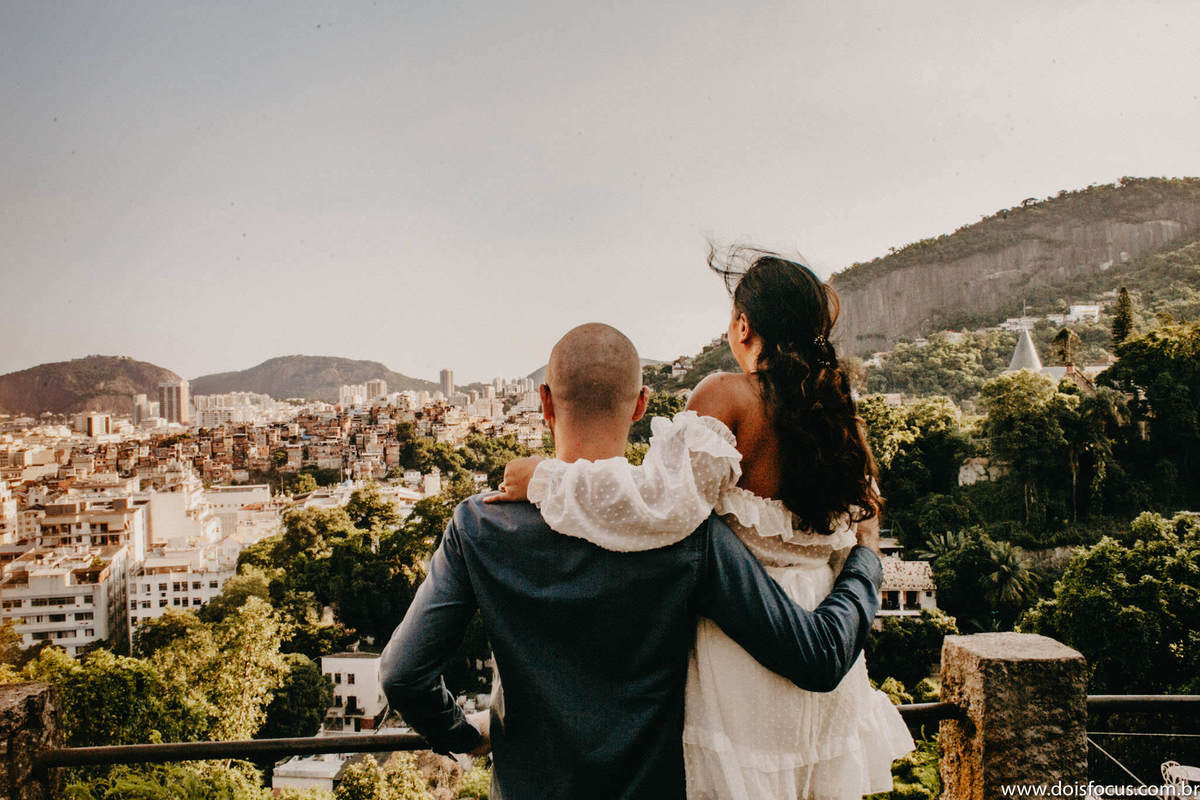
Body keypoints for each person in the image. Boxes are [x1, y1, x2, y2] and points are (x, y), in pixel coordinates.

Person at [379, 322, 885, 800]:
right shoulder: (689, 534)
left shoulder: (479, 525)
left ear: (544, 402)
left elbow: (403, 674)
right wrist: (864, 556)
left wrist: (463, 736)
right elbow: (813, 654)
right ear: (642, 404)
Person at [491, 251, 914, 800]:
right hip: (826, 655)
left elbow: (657, 508)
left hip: (745, 651)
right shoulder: (837, 418)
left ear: (743, 326)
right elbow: (852, 538)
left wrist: (546, 480)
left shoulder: (730, 396)